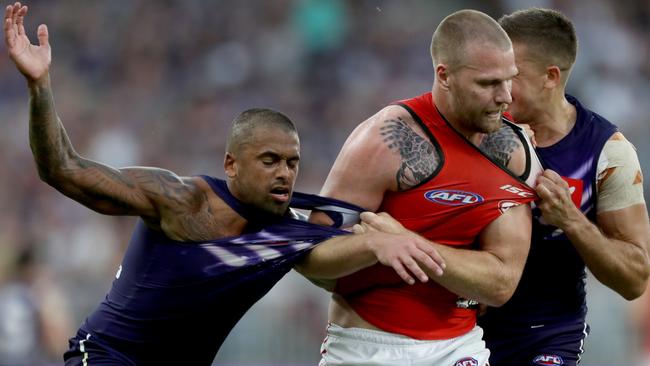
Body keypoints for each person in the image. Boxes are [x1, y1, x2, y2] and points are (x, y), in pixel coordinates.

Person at [3, 2, 447, 365]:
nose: (284, 173)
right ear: (231, 165)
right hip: (107, 357)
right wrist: (40, 85)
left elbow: (332, 252)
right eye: (269, 160)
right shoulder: (182, 201)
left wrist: (381, 241)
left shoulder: (287, 231)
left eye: (292, 162)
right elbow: (62, 168)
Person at [308, 9, 540, 366]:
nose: (505, 96)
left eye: (509, 79)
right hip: (367, 346)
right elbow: (310, 259)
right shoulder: (386, 141)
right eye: (488, 83)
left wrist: (410, 245)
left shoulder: (513, 152)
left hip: (459, 348)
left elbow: (500, 282)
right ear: (444, 75)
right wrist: (372, 244)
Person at [478, 8, 650, 366]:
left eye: (512, 77)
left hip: (547, 334)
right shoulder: (476, 132)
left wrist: (571, 220)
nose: (500, 91)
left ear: (550, 77)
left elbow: (634, 279)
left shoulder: (607, 152)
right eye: (492, 76)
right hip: (463, 328)